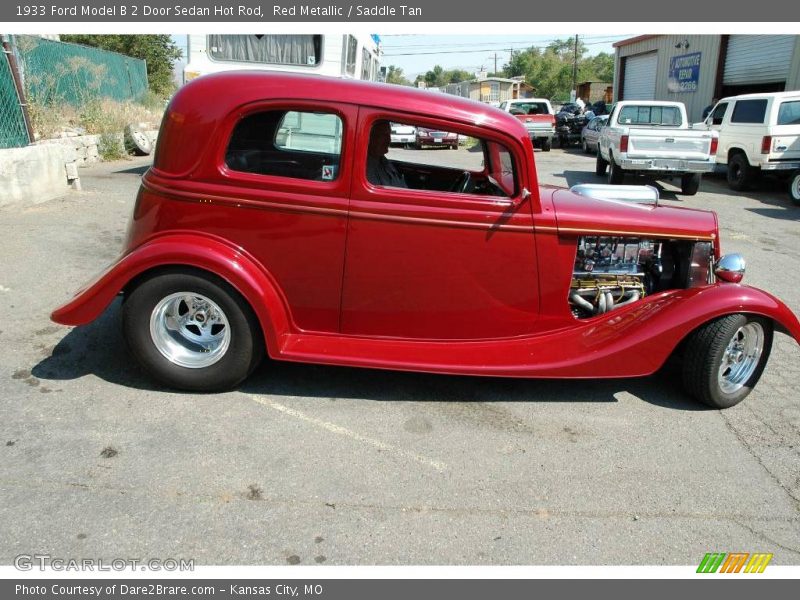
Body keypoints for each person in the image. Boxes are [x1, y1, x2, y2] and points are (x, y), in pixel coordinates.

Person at [367, 120, 408, 188]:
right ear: (370, 138)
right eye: (383, 135)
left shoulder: (382, 161)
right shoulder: (367, 169)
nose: (389, 140)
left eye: (389, 135)